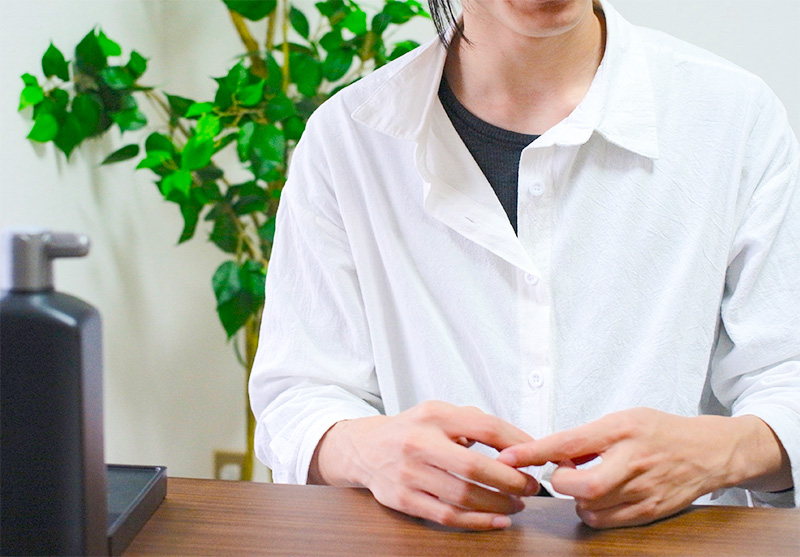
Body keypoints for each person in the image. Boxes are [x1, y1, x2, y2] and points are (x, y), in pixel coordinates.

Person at [249, 0, 799, 530]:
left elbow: (787, 372)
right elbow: (300, 392)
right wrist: (366, 452)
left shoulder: (734, 116)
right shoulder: (349, 139)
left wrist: (719, 452)